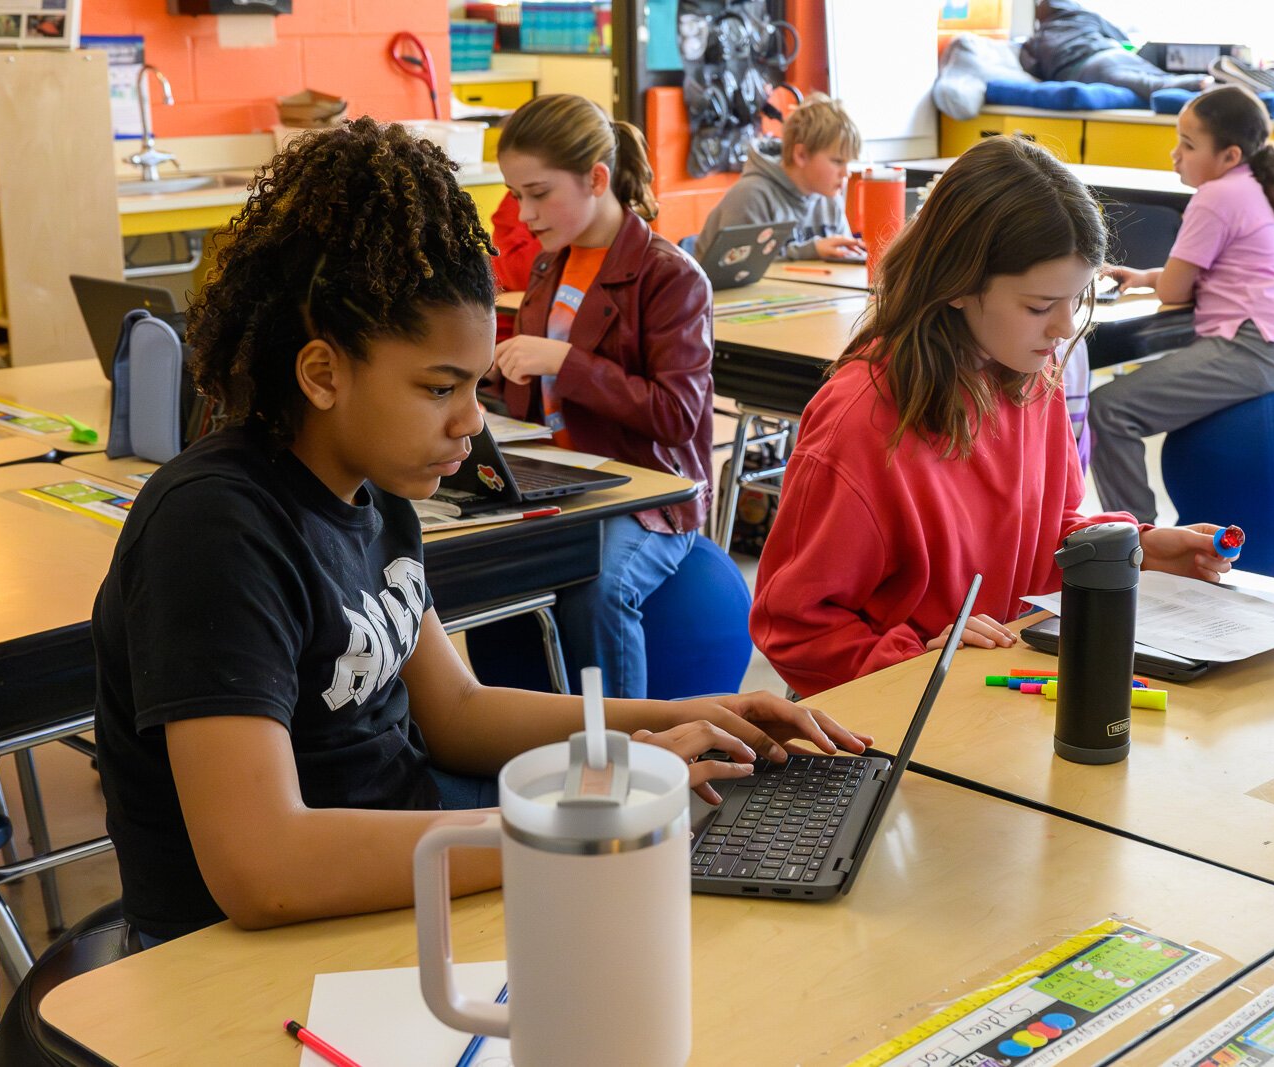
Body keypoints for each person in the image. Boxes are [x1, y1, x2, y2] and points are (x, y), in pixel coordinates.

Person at [92, 117, 870, 945]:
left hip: (404, 874)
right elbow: (265, 867)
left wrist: (680, 715)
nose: (472, 423)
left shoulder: (373, 485)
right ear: (322, 373)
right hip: (254, 953)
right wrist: (577, 825)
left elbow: (454, 709)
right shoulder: (215, 530)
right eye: (440, 388)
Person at [750, 136, 1234, 698]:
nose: (1060, 329)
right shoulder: (861, 423)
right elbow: (792, 624)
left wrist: (1134, 547)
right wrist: (914, 664)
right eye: (1037, 306)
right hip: (886, 720)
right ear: (957, 283)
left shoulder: (1030, 373)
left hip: (991, 691)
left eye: (1076, 300)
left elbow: (1038, 533)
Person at [488, 94, 716, 699]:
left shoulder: (671, 276)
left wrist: (567, 363)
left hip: (647, 495)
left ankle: (629, 759)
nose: (524, 212)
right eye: (515, 194)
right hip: (562, 480)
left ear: (596, 178)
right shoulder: (548, 267)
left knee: (600, 587)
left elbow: (679, 416)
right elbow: (521, 394)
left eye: (538, 193)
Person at [1090, 85, 1274, 524]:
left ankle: (1135, 537)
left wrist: (1160, 282)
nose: (1175, 153)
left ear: (1230, 156)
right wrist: (1146, 278)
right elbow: (1206, 278)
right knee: (1115, 406)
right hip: (1270, 346)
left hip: (1249, 349)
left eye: (1189, 144)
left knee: (1108, 410)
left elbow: (1177, 291)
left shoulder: (1215, 197)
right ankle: (1138, 533)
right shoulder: (1250, 186)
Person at [691, 94, 867, 263]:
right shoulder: (751, 196)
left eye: (848, 163)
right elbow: (738, 270)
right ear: (801, 155)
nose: (846, 173)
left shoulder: (830, 199)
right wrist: (809, 251)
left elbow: (846, 258)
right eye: (837, 161)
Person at [1020, 0, 1208, 103]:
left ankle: (1202, 83)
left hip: (1086, 69)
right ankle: (1212, 81)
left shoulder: (1036, 39)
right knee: (1162, 76)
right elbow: (1121, 37)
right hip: (1111, 54)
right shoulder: (1085, 17)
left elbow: (1031, 67)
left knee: (1151, 85)